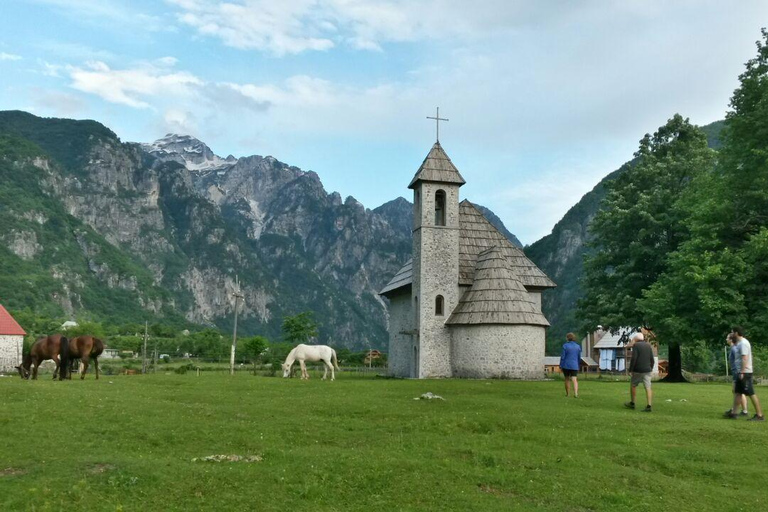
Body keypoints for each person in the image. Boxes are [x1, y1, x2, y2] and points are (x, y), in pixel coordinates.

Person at [729, 327, 764, 421]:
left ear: (736, 333)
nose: (731, 334)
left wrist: (742, 372)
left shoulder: (743, 343)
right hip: (740, 372)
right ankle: (734, 413)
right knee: (738, 393)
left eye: (732, 332)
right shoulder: (740, 343)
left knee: (751, 393)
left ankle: (759, 415)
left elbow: (744, 358)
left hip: (745, 372)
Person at [624, 331, 654, 412]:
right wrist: (651, 368)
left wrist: (631, 370)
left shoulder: (636, 345)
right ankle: (649, 405)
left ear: (636, 339)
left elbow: (634, 358)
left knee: (633, 385)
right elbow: (652, 359)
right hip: (647, 370)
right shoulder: (648, 345)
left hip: (638, 370)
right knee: (648, 387)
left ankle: (632, 403)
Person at [724, 333, 748, 418]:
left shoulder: (734, 348)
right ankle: (737, 409)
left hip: (736, 372)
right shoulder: (733, 348)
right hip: (735, 371)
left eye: (727, 338)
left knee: (738, 391)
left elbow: (739, 360)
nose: (726, 339)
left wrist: (739, 371)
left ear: (731, 339)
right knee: (736, 391)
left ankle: (743, 410)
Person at [560, 332, 582, 398]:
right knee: (574, 379)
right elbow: (579, 357)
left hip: (566, 365)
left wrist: (561, 365)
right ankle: (575, 393)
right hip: (574, 365)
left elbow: (563, 356)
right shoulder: (578, 346)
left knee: (567, 379)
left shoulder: (565, 346)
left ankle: (568, 394)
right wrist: (578, 364)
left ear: (567, 338)